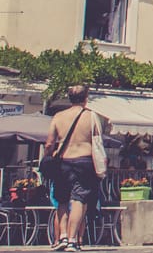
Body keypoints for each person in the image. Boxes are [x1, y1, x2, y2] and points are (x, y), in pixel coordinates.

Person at [41, 84, 103, 253]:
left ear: (69, 98)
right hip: (84, 161)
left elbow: (49, 143)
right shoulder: (91, 116)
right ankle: (72, 240)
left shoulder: (58, 116)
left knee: (61, 200)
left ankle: (61, 236)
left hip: (62, 161)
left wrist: (48, 157)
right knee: (78, 199)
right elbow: (98, 140)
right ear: (86, 97)